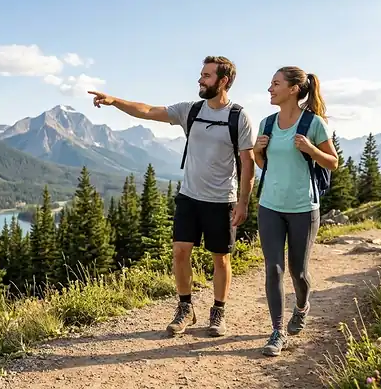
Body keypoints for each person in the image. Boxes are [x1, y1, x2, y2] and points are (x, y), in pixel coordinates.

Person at [88, 56, 256, 337]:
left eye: (207, 76)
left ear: (223, 81)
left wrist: (243, 201)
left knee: (221, 258)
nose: (200, 80)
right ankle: (185, 308)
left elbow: (248, 164)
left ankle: (218, 312)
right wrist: (114, 100)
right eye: (201, 74)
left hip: (221, 200)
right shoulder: (190, 111)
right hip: (189, 196)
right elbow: (148, 111)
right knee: (180, 251)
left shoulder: (238, 117)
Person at [253, 66, 338, 356]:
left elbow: (332, 163)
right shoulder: (266, 124)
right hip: (270, 206)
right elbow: (265, 165)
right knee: (273, 269)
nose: (270, 89)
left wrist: (312, 149)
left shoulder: (313, 124)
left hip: (303, 208)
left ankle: (302, 306)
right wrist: (257, 152)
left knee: (298, 271)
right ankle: (276, 331)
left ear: (293, 89)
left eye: (275, 84)